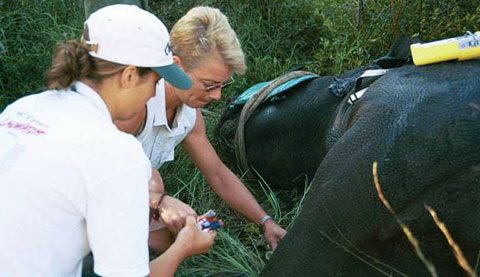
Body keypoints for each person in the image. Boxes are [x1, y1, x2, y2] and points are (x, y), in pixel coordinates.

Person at [0, 5, 215, 277]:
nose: (153, 94)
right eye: (155, 81)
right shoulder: (118, 152)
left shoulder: (23, 108)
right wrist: (185, 246)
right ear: (128, 75)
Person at [113, 6, 287, 252]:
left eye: (221, 86)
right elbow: (98, 173)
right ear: (176, 66)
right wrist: (158, 202)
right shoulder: (133, 106)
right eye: (208, 85)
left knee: (171, 238)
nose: (216, 96)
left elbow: (217, 172)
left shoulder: (188, 114)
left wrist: (265, 221)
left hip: (121, 201)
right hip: (82, 203)